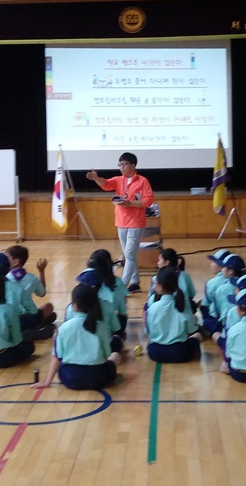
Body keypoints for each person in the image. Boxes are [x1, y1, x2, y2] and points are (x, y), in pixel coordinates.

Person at [31, 283, 124, 391]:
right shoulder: (101, 326)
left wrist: (47, 381)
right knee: (116, 356)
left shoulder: (63, 328)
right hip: (98, 377)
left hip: (71, 378)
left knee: (63, 364)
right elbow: (106, 355)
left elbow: (57, 357)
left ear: (74, 306)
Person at [86, 152, 155, 292]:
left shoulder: (142, 181)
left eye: (124, 164)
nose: (121, 167)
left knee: (129, 254)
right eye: (120, 164)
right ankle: (135, 282)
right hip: (121, 222)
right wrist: (96, 178)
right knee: (130, 254)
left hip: (135, 222)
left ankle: (122, 286)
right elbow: (106, 184)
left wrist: (131, 204)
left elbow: (149, 200)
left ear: (133, 165)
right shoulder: (119, 180)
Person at [0, 252, 54, 338]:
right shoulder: (17, 287)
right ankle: (31, 332)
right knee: (41, 311)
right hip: (14, 323)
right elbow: (33, 311)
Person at [145, 266, 203, 363]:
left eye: (155, 282)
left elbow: (149, 331)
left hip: (155, 352)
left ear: (160, 287)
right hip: (179, 353)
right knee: (198, 336)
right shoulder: (182, 305)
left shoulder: (152, 307)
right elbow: (191, 330)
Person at [88, 249, 129, 338]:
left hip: (91, 327)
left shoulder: (86, 284)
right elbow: (123, 310)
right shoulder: (118, 282)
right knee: (122, 317)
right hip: (111, 327)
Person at [199, 249, 230, 336]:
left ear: (221, 266)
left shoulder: (212, 283)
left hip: (220, 322)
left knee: (202, 305)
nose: (211, 264)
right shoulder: (242, 280)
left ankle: (209, 329)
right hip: (237, 320)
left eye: (213, 262)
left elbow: (205, 305)